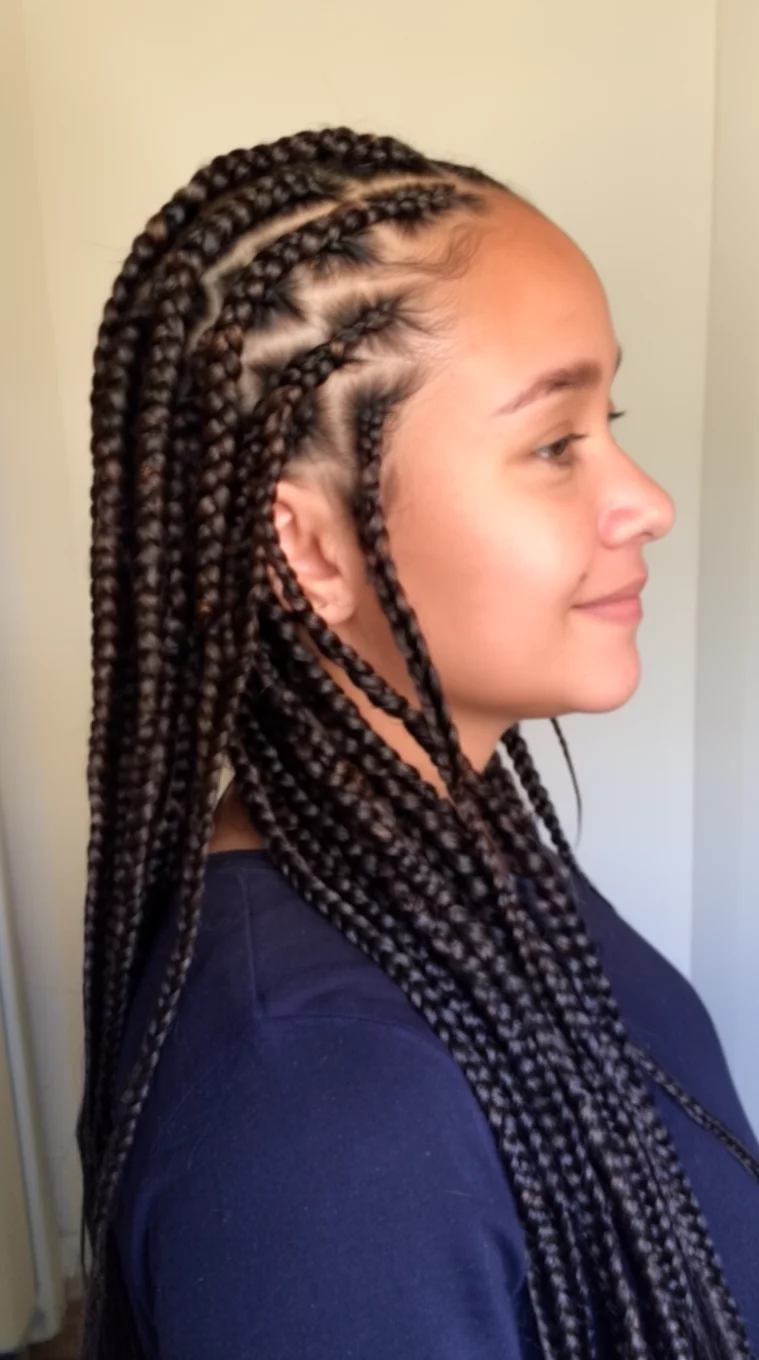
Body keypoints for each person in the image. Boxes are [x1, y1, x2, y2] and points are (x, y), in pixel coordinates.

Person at [75, 126, 759, 1360]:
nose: (647, 498)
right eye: (557, 444)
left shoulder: (440, 837)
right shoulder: (320, 1119)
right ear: (313, 549)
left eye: (614, 418)